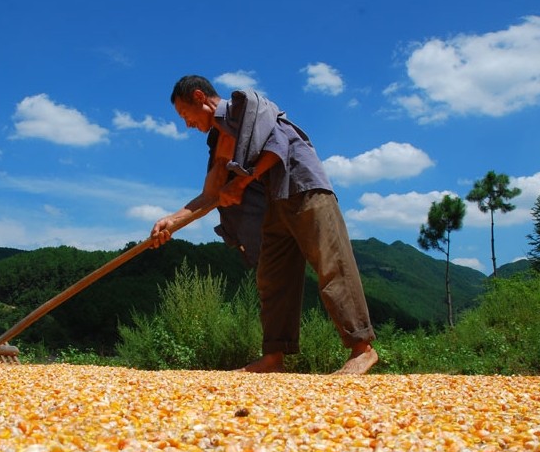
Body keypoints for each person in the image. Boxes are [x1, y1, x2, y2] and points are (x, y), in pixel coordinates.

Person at [151, 75, 378, 374]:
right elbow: (211, 195)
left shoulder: (246, 107)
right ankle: (274, 357)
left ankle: (362, 349)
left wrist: (242, 183)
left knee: (331, 263)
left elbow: (278, 144)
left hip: (303, 186)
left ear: (199, 97)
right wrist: (172, 221)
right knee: (272, 276)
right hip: (274, 201)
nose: (187, 124)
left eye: (185, 115)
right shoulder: (219, 141)